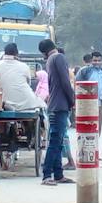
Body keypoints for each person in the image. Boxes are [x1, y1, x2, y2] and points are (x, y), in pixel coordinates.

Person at [0, 43, 42, 169]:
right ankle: (32, 136)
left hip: (5, 103)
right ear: (16, 54)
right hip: (25, 103)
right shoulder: (23, 66)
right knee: (38, 110)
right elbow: (28, 83)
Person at [40, 39, 73, 185]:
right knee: (55, 141)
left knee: (58, 141)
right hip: (60, 104)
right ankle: (47, 174)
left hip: (54, 104)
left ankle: (58, 174)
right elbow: (65, 82)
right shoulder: (59, 58)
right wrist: (73, 99)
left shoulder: (50, 60)